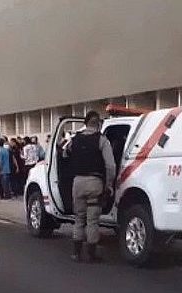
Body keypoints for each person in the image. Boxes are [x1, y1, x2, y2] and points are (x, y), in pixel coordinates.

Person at [63, 111, 115, 262]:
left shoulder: (75, 139)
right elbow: (110, 165)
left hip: (77, 182)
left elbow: (65, 154)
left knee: (79, 218)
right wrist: (109, 184)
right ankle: (91, 254)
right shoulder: (102, 140)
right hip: (94, 183)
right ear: (98, 124)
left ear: (85, 123)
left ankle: (76, 253)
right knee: (92, 220)